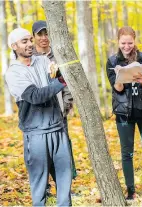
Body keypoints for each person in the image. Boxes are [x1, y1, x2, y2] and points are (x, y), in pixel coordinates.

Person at [5, 28, 72, 206]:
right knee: (39, 184)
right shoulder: (13, 73)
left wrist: (57, 75)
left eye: (30, 40)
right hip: (36, 134)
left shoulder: (43, 60)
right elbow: (35, 96)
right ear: (14, 46)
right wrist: (60, 81)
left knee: (65, 180)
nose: (29, 44)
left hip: (58, 128)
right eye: (24, 41)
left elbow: (54, 79)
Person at [106, 26, 142, 200]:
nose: (127, 46)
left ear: (134, 41)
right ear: (118, 42)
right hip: (124, 113)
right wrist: (120, 76)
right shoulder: (113, 61)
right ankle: (131, 191)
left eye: (130, 42)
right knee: (126, 152)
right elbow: (117, 90)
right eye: (123, 43)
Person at [32, 20, 77, 195]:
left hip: (58, 112)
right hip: (38, 114)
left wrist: (66, 105)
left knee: (63, 148)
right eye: (40, 34)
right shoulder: (31, 58)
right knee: (41, 151)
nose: (44, 38)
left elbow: (67, 85)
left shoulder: (58, 56)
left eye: (46, 33)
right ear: (34, 37)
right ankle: (45, 187)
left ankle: (65, 187)